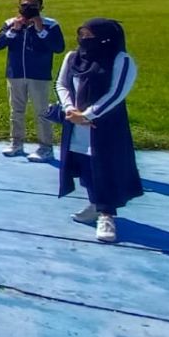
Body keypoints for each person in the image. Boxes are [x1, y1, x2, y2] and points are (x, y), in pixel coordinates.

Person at [55, 19, 141, 244]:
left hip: (105, 125)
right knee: (85, 166)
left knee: (106, 166)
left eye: (90, 35)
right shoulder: (72, 58)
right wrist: (70, 109)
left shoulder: (121, 60)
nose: (84, 39)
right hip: (75, 122)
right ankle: (95, 203)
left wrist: (89, 115)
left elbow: (117, 93)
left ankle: (107, 214)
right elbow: (62, 84)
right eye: (81, 34)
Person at [0, 0, 66, 160]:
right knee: (16, 111)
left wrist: (40, 29)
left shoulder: (51, 25)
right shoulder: (11, 23)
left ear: (41, 8)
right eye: (24, 5)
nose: (27, 8)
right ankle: (16, 144)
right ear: (19, 7)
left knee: (42, 112)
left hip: (39, 76)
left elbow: (58, 47)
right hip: (15, 74)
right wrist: (14, 30)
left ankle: (45, 147)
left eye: (32, 6)